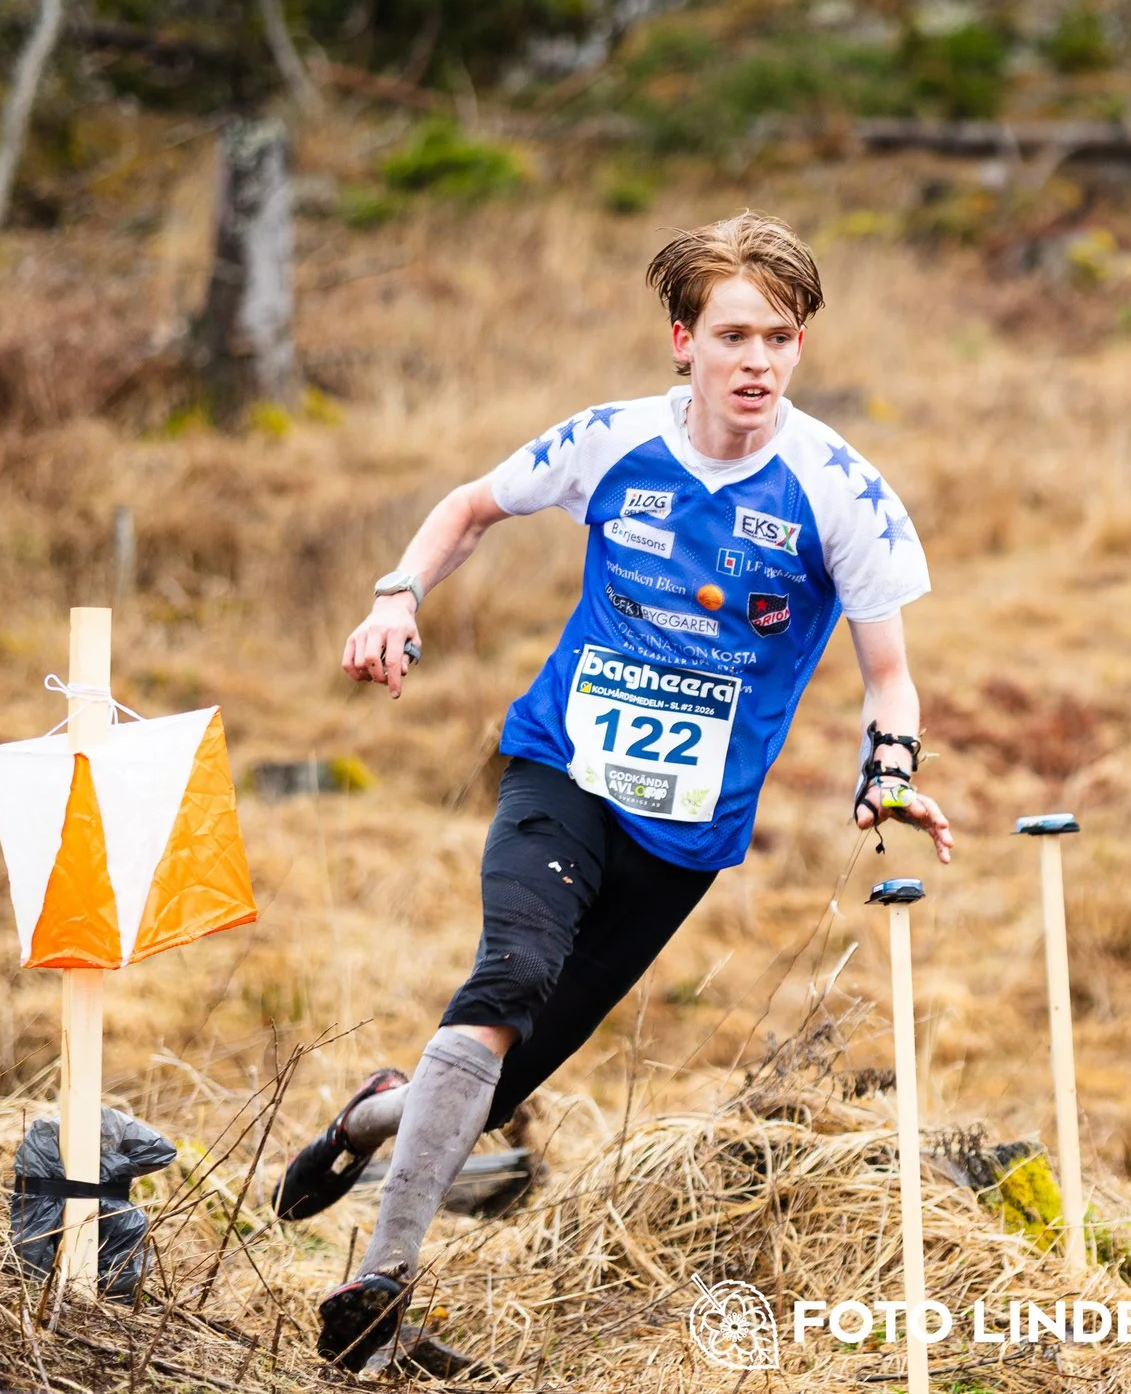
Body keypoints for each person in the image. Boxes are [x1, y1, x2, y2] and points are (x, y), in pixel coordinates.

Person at [277, 211, 955, 1372]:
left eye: (781, 339)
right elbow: (469, 507)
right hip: (562, 769)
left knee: (487, 1086)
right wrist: (398, 595)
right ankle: (381, 1285)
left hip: (686, 834)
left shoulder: (838, 487)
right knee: (509, 979)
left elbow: (889, 677)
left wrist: (887, 775)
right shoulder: (610, 440)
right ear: (682, 338)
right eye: (735, 334)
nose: (757, 361)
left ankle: (374, 1112)